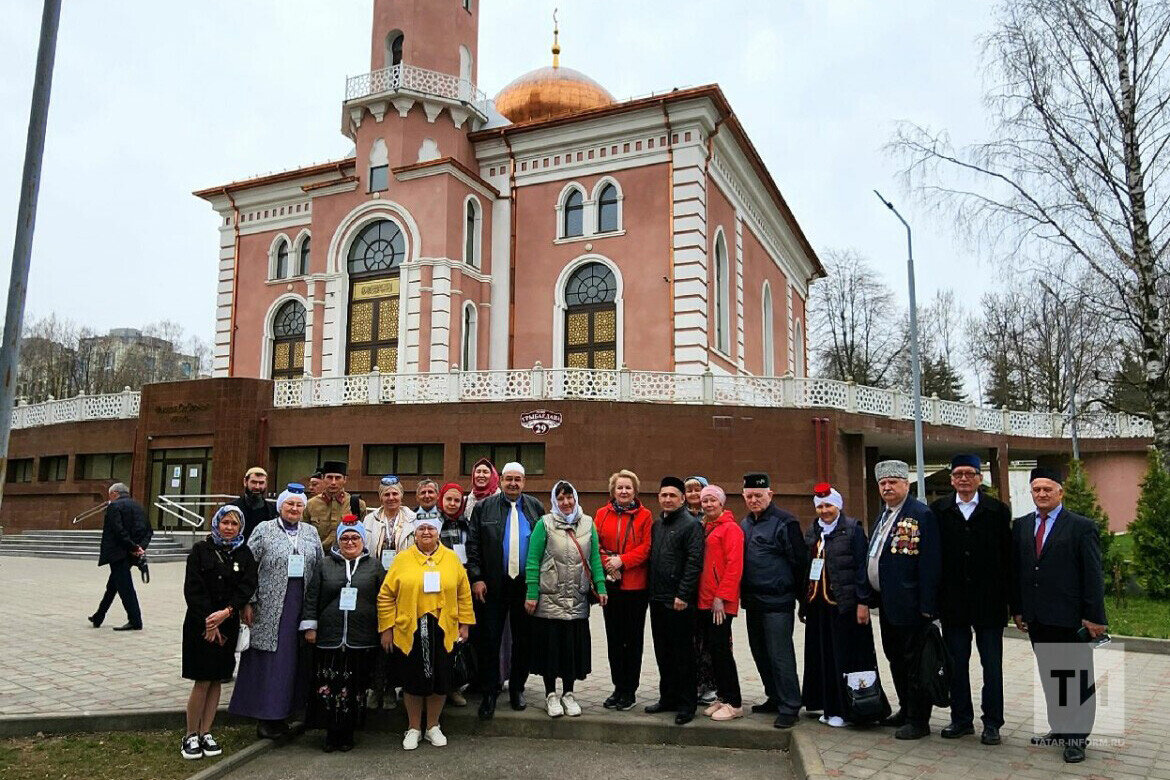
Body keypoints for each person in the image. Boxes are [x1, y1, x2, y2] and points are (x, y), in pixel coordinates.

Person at [1011, 467, 1107, 765]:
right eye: (1037, 489)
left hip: (1071, 618)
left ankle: (1077, 738)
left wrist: (1093, 616)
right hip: (1038, 618)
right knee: (1051, 677)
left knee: (1076, 680)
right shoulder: (1022, 525)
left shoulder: (1080, 526)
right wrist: (1017, 609)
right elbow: (1019, 571)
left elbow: (1092, 574)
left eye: (1047, 489)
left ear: (1060, 492)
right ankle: (1060, 727)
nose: (1041, 494)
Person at [230, 484, 324, 739]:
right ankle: (266, 716)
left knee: (293, 662)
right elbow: (249, 566)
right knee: (270, 662)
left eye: (298, 505)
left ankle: (288, 712)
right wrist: (247, 601)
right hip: (269, 607)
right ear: (280, 506)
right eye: (289, 504)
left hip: (300, 605)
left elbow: (319, 568)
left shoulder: (310, 533)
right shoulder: (265, 529)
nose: (294, 509)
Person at [931, 454, 1013, 745]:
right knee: (956, 664)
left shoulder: (997, 511)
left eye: (969, 473)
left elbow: (1008, 559)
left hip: (989, 603)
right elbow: (933, 558)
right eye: (958, 474)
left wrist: (1012, 604)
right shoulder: (939, 510)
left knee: (992, 666)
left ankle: (992, 723)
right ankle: (961, 719)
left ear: (980, 477)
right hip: (953, 603)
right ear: (951, 479)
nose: (963, 479)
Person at [379, 513, 475, 750]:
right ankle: (413, 727)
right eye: (421, 529)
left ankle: (433, 726)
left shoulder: (451, 559)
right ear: (415, 533)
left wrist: (464, 624)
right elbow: (386, 596)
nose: (426, 533)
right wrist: (387, 629)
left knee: (440, 679)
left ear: (438, 532)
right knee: (413, 680)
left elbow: (463, 593)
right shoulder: (402, 559)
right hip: (410, 628)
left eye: (431, 529)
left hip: (443, 627)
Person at [866, 459, 941, 740]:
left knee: (915, 664)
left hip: (912, 606)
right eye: (883, 483)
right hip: (887, 604)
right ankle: (905, 709)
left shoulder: (920, 514)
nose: (887, 487)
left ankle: (919, 720)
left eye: (893, 482)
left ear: (905, 484)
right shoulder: (884, 514)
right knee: (895, 658)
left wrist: (927, 605)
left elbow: (930, 562)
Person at [800, 483, 884, 729]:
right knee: (823, 658)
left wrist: (863, 602)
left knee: (845, 659)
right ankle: (827, 705)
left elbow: (861, 568)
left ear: (838, 506)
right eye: (820, 506)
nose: (824, 510)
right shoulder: (814, 531)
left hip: (844, 606)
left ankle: (849, 709)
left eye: (829, 505)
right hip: (819, 606)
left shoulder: (853, 530)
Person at [466, 461, 545, 719]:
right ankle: (489, 692)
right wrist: (476, 577)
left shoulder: (535, 508)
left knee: (524, 640)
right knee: (490, 640)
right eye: (508, 479)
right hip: (492, 585)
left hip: (523, 585)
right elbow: (474, 545)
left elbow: (543, 547)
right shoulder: (483, 508)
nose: (513, 483)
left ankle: (517, 690)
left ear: (524, 482)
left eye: (518, 479)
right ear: (500, 481)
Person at [180, 505, 259, 760]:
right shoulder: (201, 551)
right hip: (200, 623)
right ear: (216, 523)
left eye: (234, 524)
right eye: (225, 522)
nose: (228, 527)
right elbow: (193, 588)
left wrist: (227, 612)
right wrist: (209, 621)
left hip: (227, 621)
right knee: (202, 678)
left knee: (218, 679)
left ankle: (206, 731)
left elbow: (247, 585)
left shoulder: (244, 553)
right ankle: (191, 734)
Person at [524, 480, 608, 718]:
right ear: (554, 501)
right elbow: (533, 560)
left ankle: (569, 694)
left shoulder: (588, 523)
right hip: (550, 597)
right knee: (551, 649)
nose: (566, 502)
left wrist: (600, 586)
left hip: (577, 597)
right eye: (560, 498)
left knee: (571, 649)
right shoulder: (545, 524)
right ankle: (551, 695)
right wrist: (532, 593)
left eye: (569, 497)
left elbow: (594, 559)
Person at [303, 516, 385, 752]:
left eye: (355, 537)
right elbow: (312, 597)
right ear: (338, 541)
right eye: (345, 538)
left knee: (354, 688)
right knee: (329, 685)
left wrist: (384, 629)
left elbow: (384, 599)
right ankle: (330, 734)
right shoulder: (325, 564)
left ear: (362, 539)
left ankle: (347, 733)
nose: (350, 542)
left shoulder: (374, 565)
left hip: (361, 638)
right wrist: (310, 626)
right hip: (330, 637)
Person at [740, 472, 809, 729]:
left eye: (759, 495)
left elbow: (800, 563)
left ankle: (790, 704)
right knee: (760, 653)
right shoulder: (745, 524)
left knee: (780, 655)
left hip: (778, 602)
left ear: (771, 494)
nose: (754, 500)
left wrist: (804, 601)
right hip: (752, 602)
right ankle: (774, 696)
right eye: (749, 496)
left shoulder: (785, 522)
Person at [644, 476, 705, 725]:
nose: (667, 499)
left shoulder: (691, 525)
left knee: (683, 655)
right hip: (658, 599)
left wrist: (683, 594)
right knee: (663, 652)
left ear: (681, 499)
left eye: (672, 495)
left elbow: (694, 563)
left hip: (678, 601)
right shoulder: (658, 524)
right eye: (663, 495)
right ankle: (667, 697)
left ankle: (687, 703)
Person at [595, 469, 653, 710]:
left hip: (636, 587)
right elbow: (594, 544)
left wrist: (623, 561)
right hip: (612, 585)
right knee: (614, 639)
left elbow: (647, 547)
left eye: (628, 487)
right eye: (620, 487)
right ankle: (618, 686)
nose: (624, 491)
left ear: (635, 491)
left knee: (633, 640)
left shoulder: (645, 515)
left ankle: (630, 689)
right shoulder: (601, 514)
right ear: (613, 490)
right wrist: (609, 564)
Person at [695, 484, 744, 721]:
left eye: (712, 500)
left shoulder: (731, 529)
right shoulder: (705, 527)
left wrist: (721, 597)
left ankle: (734, 702)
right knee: (713, 651)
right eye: (705, 501)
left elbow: (734, 565)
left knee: (722, 650)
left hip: (720, 603)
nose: (708, 504)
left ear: (722, 503)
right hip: (704, 601)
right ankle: (723, 697)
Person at [89, 483, 148, 631]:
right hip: (130, 552)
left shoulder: (114, 507)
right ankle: (99, 616)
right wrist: (139, 548)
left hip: (118, 553)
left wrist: (133, 547)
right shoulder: (138, 506)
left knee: (125, 588)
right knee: (113, 585)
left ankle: (135, 620)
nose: (110, 498)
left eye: (110, 495)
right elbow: (148, 530)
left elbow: (118, 531)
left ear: (114, 493)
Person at [437, 482, 472, 706]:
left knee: (459, 639)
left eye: (457, 500)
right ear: (441, 500)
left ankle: (454, 687)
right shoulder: (433, 523)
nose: (452, 504)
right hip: (437, 587)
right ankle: (437, 686)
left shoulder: (467, 525)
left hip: (461, 586)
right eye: (448, 499)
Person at [684, 475, 716, 705]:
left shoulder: (714, 518)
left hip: (710, 589)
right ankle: (691, 685)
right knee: (690, 641)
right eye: (690, 490)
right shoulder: (679, 517)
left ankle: (711, 687)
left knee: (712, 641)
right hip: (688, 589)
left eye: (699, 490)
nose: (694, 494)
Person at [305, 460, 367, 551]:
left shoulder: (357, 504)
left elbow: (362, 536)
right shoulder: (311, 504)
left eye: (337, 478)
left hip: (347, 556)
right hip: (319, 557)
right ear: (322, 478)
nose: (333, 482)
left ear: (345, 479)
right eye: (329, 477)